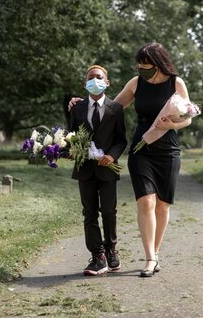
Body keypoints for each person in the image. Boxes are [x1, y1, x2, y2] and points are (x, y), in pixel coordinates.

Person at [69, 44, 193, 277]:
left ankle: (154, 255)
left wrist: (172, 124)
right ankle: (149, 258)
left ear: (158, 64)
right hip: (141, 150)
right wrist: (82, 103)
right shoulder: (136, 83)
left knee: (163, 205)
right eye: (140, 67)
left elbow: (188, 118)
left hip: (168, 151)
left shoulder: (176, 83)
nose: (142, 70)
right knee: (146, 202)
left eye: (146, 67)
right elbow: (110, 108)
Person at [69, 65, 127, 276]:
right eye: (91, 78)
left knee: (109, 212)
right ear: (85, 83)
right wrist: (72, 150)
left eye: (99, 77)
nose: (95, 80)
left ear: (107, 82)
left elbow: (121, 139)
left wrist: (112, 156)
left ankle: (111, 249)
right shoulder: (76, 108)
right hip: (85, 169)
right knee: (89, 213)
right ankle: (97, 255)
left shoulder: (116, 109)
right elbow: (71, 136)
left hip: (107, 169)